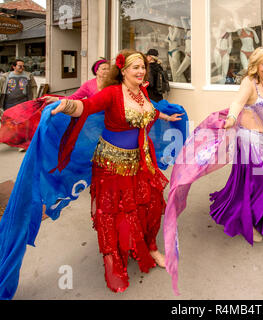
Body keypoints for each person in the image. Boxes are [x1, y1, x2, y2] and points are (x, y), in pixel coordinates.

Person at [162, 47, 263, 295]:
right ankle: (247, 223)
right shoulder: (249, 83)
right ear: (255, 65)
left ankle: (256, 216)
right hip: (250, 140)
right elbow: (237, 104)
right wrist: (231, 118)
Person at [49, 49, 183, 293]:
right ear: (123, 71)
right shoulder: (112, 93)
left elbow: (150, 110)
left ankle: (150, 247)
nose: (141, 71)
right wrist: (66, 104)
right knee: (116, 213)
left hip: (140, 160)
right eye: (135, 67)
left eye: (143, 67)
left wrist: (165, 116)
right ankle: (116, 259)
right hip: (111, 166)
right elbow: (86, 107)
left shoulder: (141, 91)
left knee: (151, 204)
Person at [0, 59, 111, 151]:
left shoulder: (114, 83)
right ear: (96, 70)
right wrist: (55, 98)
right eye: (104, 68)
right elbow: (73, 98)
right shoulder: (88, 85)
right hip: (93, 120)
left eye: (109, 69)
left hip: (110, 117)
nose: (107, 71)